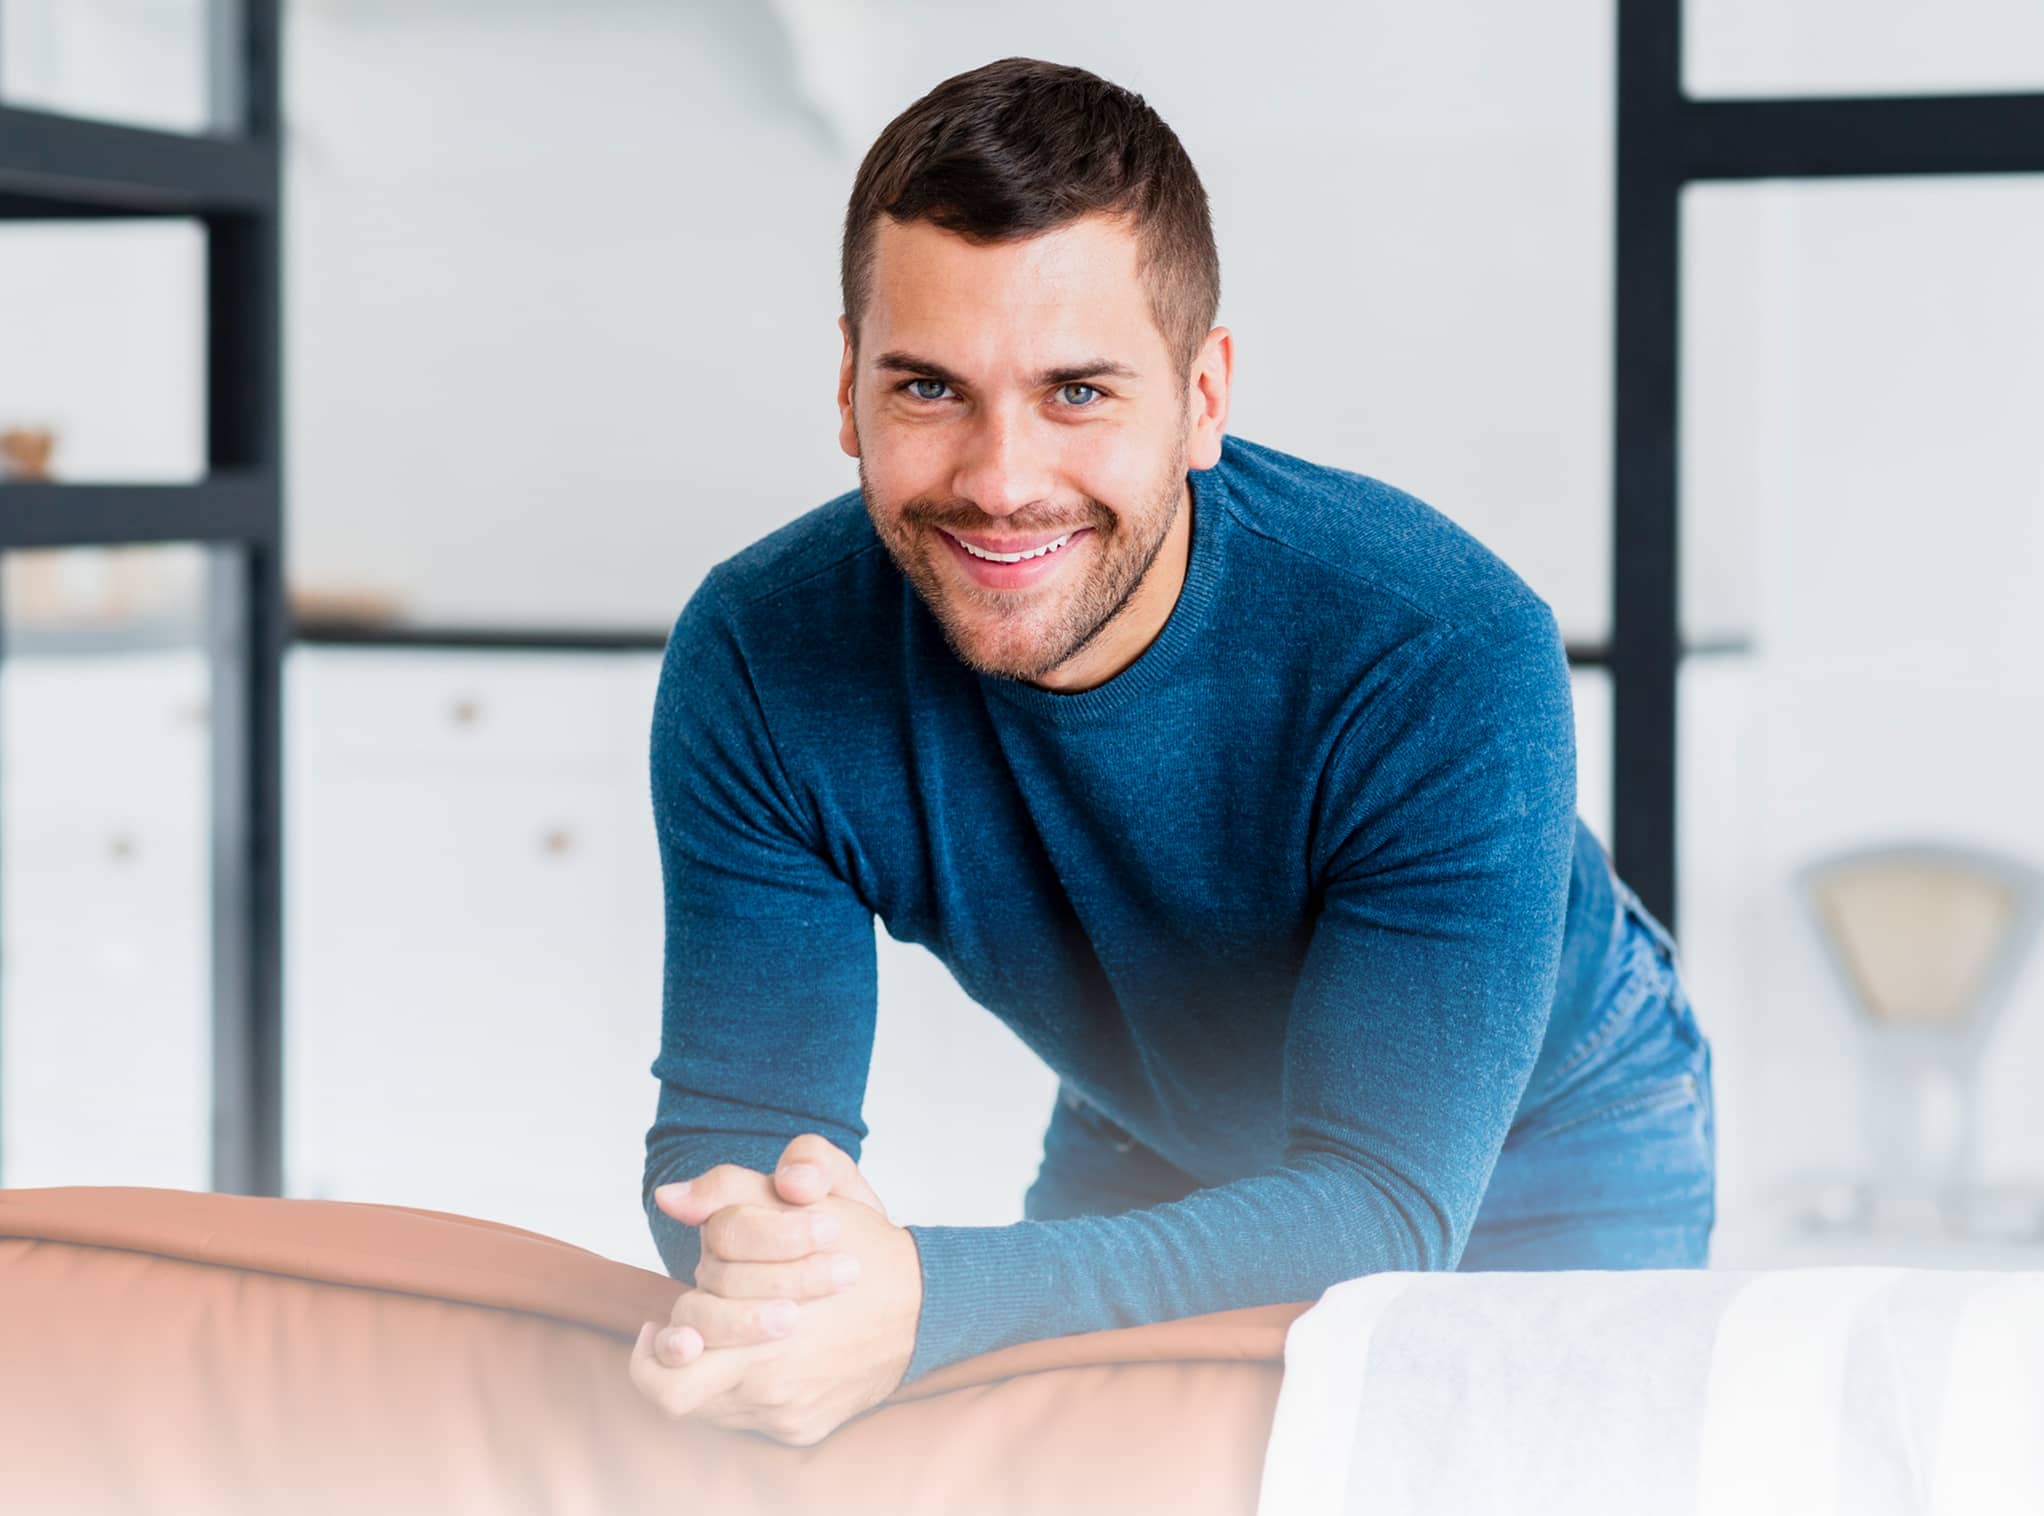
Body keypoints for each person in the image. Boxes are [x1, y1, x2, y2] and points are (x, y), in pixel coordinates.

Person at [626, 55, 1716, 1448]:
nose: (1001, 479)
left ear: (1203, 397)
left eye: (1078, 391)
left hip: (1537, 1139)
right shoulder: (759, 658)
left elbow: (1382, 1210)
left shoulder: (1443, 645)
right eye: (930, 389)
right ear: (848, 389)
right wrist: (779, 1277)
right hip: (1153, 1119)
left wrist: (924, 1298)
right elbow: (732, 1138)